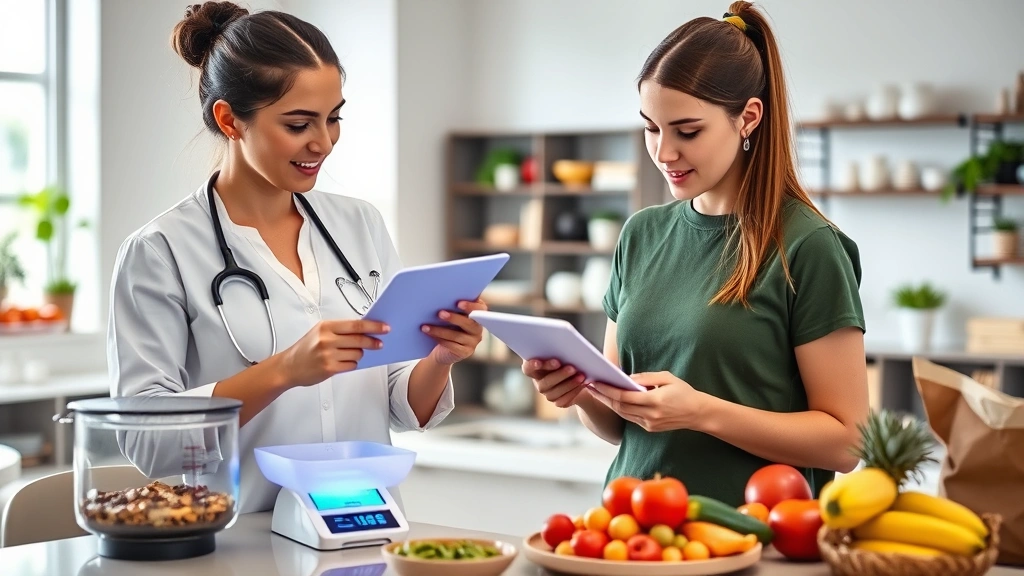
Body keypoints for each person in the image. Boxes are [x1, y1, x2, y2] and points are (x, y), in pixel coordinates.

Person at [108, 1, 486, 514]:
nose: (323, 142)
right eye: (298, 123)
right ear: (229, 119)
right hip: (237, 538)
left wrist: (440, 359)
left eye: (334, 118)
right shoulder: (160, 251)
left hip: (362, 524)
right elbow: (147, 442)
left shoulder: (360, 225)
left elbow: (399, 403)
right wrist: (284, 370)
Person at [525, 1, 869, 506]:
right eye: (651, 128)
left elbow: (846, 443)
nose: (664, 152)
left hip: (754, 541)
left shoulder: (807, 245)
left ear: (748, 118)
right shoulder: (641, 235)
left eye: (687, 131)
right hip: (630, 533)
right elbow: (621, 427)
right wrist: (580, 389)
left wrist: (701, 412)